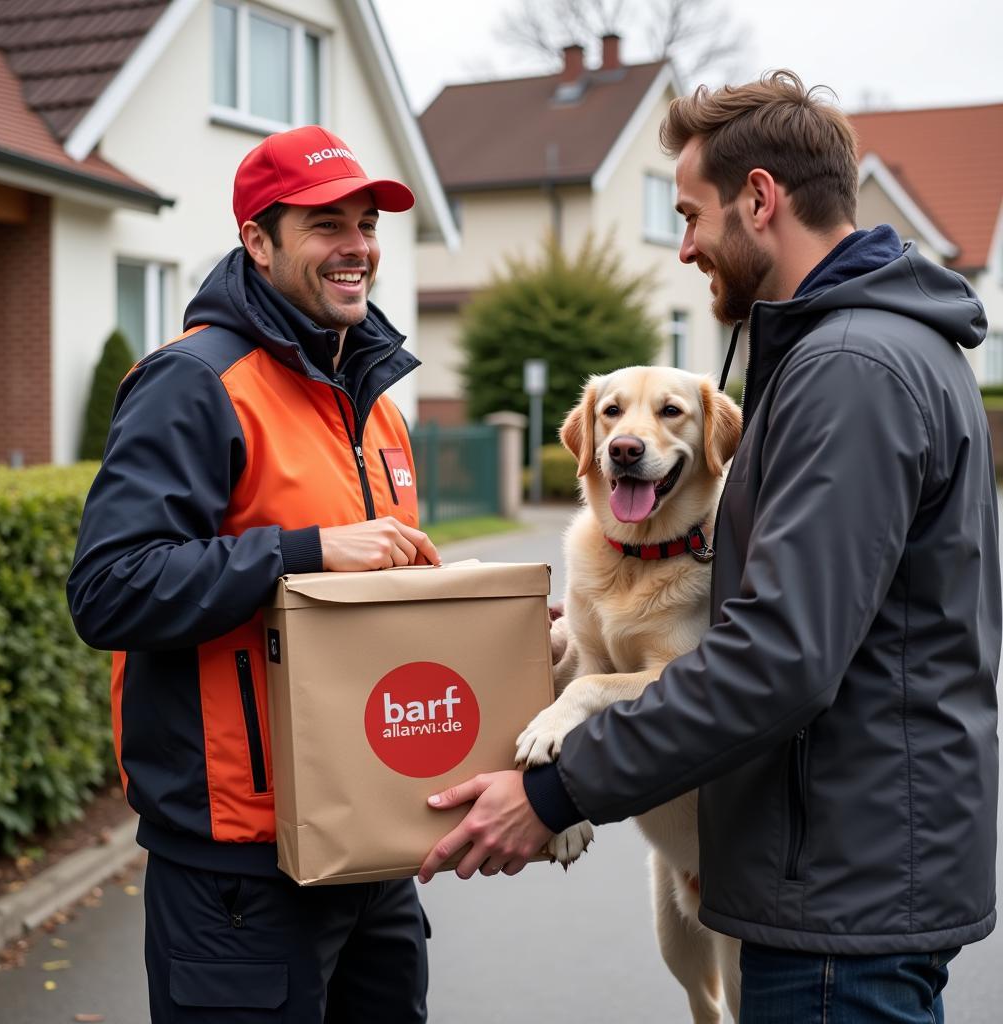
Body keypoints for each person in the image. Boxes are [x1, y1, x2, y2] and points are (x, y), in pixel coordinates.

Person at [419, 70, 1001, 1023]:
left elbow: (778, 658)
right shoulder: (871, 350)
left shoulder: (851, 370)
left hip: (837, 895)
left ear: (761, 200)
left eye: (690, 214)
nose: (684, 243)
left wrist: (559, 793)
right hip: (848, 870)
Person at [68, 125, 439, 1022]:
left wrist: (480, 634)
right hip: (238, 871)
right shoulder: (192, 382)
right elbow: (111, 586)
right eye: (325, 225)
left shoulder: (374, 402)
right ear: (258, 242)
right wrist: (304, 550)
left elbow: (366, 616)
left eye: (365, 223)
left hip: (371, 853)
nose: (356, 246)